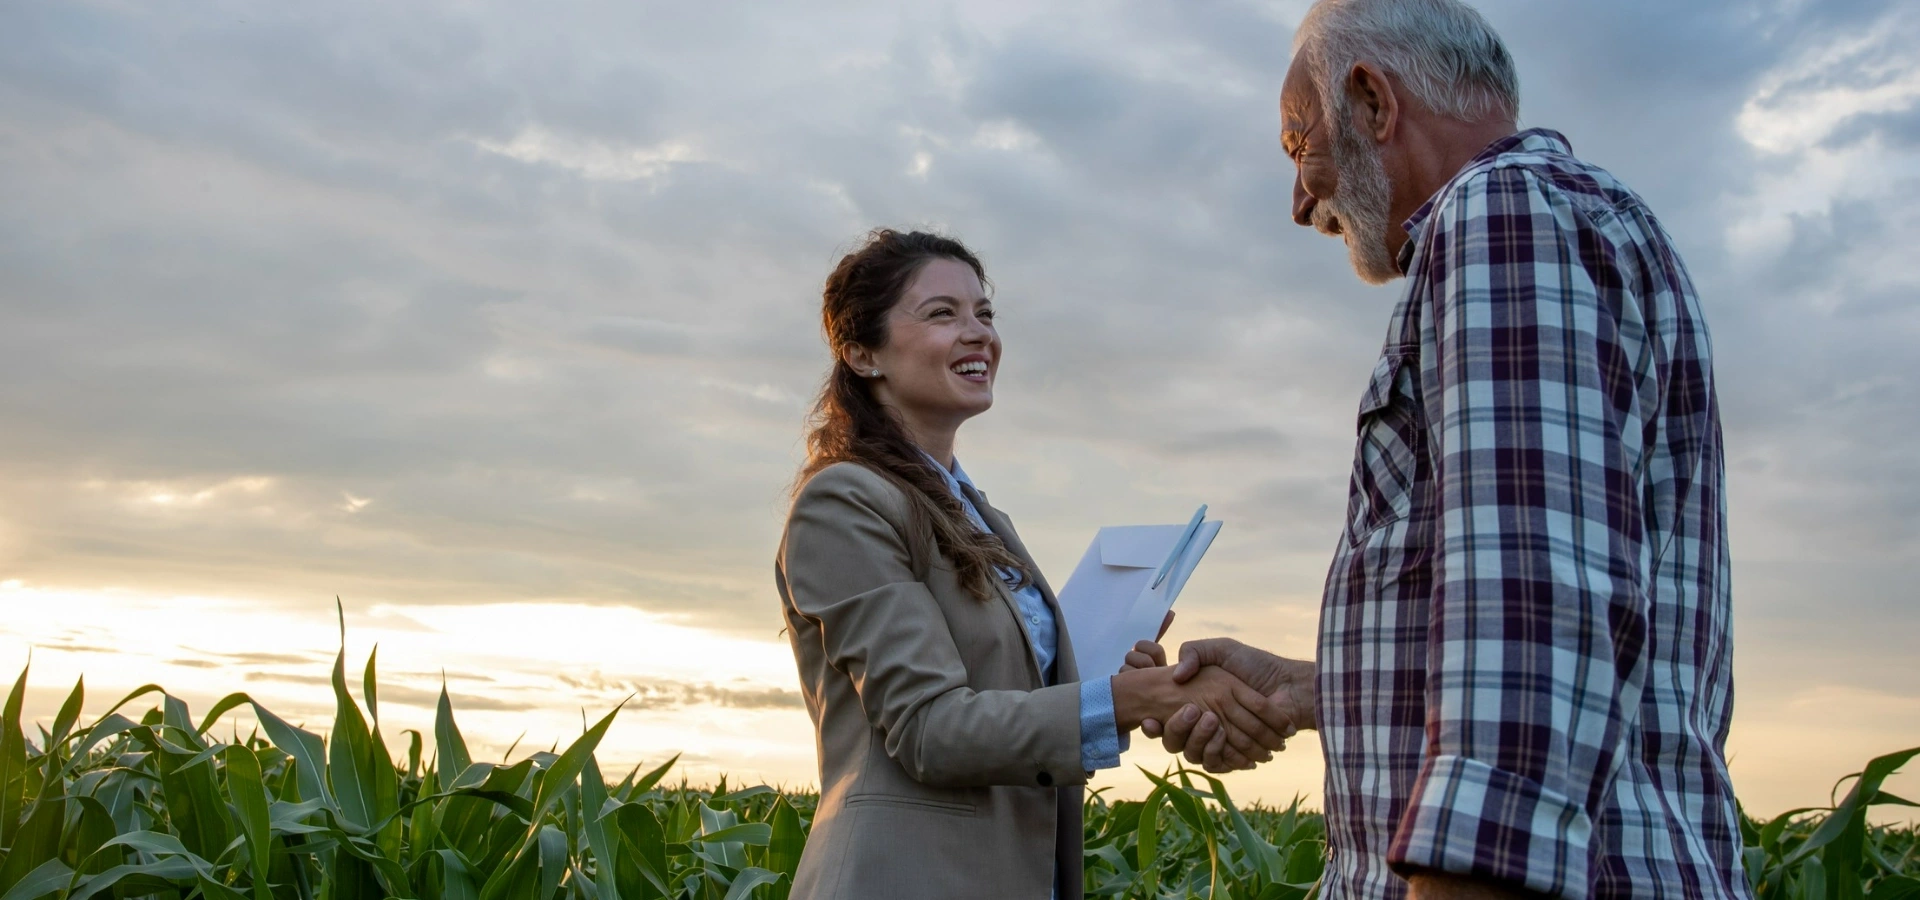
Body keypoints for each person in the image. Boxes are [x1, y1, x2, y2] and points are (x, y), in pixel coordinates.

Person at [1127, 1, 1748, 898]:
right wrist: (1307, 692)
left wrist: (1463, 879)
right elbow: (1564, 607)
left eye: (1300, 145)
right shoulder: (1577, 219)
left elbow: (1535, 606)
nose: (1302, 201)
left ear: (1374, 103)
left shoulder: (1504, 215)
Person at [775, 228, 1291, 900]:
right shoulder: (843, 501)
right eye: (943, 313)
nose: (978, 333)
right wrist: (1128, 700)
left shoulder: (982, 516)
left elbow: (1015, 720)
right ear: (861, 352)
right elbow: (929, 729)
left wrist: (1109, 681)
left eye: (984, 314)